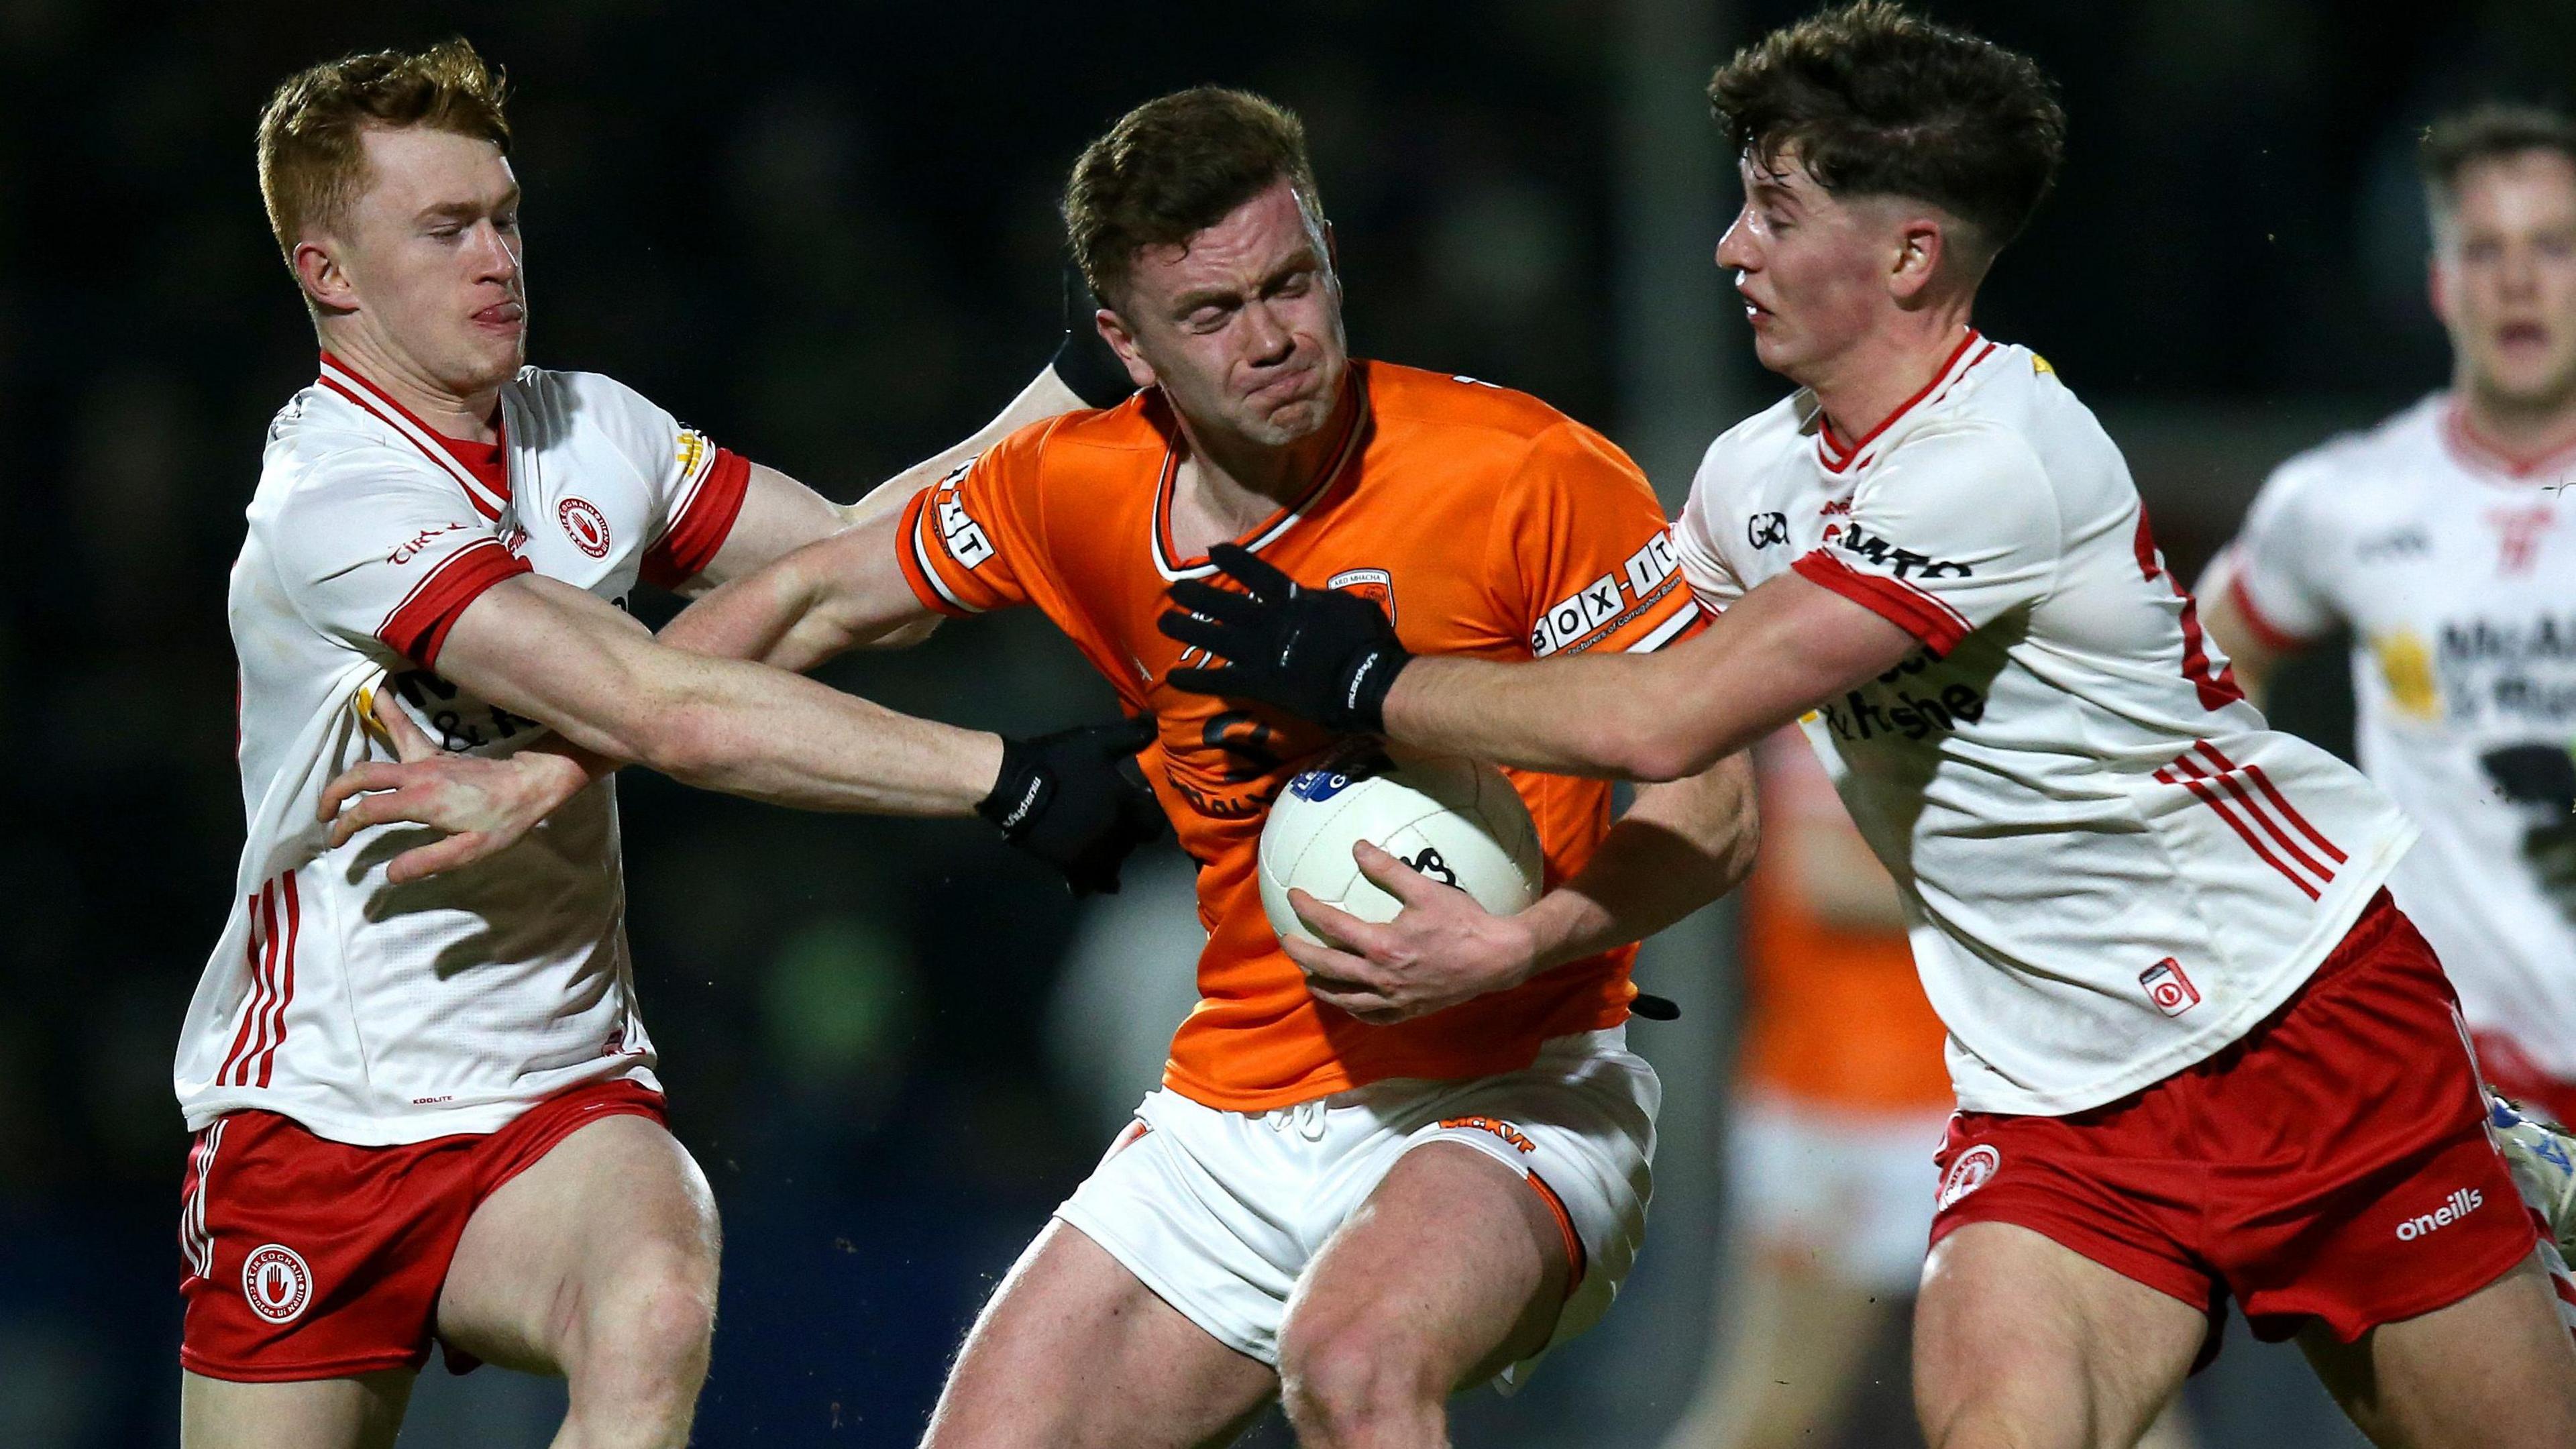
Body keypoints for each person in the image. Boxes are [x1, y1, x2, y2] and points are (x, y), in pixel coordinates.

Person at [1152, 7, 2576, 1446]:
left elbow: (1664, 714)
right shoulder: (1748, 482)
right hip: (2054, 1101)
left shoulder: (1997, 461)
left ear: (1908, 256)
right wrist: (1498, 908)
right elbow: (1593, 719)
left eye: (1775, 210)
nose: (1731, 247)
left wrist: (1363, 677)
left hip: (2299, 1030)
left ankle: (2484, 1166)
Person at [340, 85, 1758, 1448]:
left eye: (1293, 282)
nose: (1273, 338)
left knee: (1358, 1365)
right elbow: (809, 599)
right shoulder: (1075, 486)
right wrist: (553, 766)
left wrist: (1519, 945)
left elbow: (1712, 803)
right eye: (1211, 312)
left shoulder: (1527, 471)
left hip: (1515, 1084)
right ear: (1126, 344)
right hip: (1241, 1107)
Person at [184, 42, 1156, 1449]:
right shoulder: (331, 500)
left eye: (506, 216)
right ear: (332, 273)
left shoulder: (593, 428)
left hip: (558, 1096)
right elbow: (656, 708)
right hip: (317, 1121)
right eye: (444, 229)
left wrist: (1077, 382)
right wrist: (1000, 777)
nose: (496, 257)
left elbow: (845, 568)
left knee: (654, 1305)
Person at [2200, 104, 2576, 1130]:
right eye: (2483, 249)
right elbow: (2199, 665)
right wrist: (2274, 883)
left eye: (2552, 245)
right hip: (2461, 1084)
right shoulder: (2347, 502)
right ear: (2442, 282)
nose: (2518, 279)